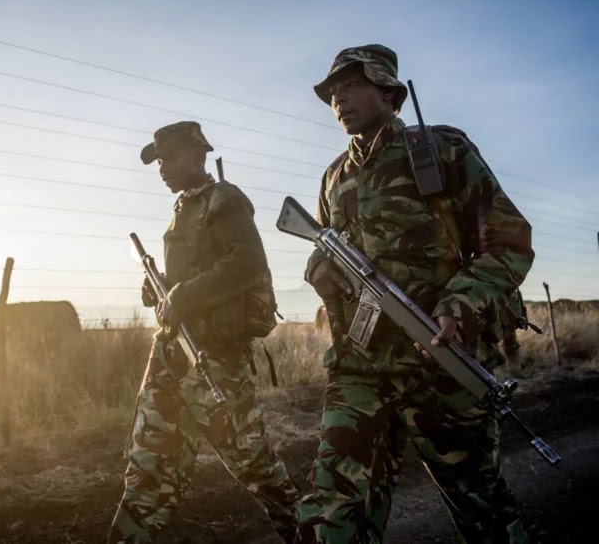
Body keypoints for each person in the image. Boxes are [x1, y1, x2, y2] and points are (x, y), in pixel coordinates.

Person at [298, 44, 534, 543]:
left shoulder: (442, 148)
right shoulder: (333, 176)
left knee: (481, 508)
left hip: (441, 359)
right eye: (331, 93)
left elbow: (508, 242)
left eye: (350, 85)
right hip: (361, 367)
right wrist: (319, 267)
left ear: (388, 90)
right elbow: (326, 247)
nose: (338, 99)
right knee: (334, 509)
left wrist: (459, 303)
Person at [108, 121, 301, 543]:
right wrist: (157, 289)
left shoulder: (224, 199)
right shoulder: (183, 208)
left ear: (199, 154)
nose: (162, 167)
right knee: (148, 464)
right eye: (158, 161)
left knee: (253, 464)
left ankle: (307, 535)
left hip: (215, 356)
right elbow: (188, 282)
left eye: (171, 157)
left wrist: (181, 295)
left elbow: (245, 263)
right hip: (170, 355)